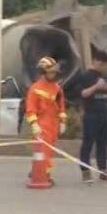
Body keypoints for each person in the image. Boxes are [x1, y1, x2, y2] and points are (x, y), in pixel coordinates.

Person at [25, 56, 67, 185]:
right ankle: (44, 175)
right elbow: (30, 109)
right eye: (50, 72)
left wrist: (63, 122)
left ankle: (36, 170)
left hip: (53, 126)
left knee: (47, 152)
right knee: (43, 151)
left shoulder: (57, 89)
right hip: (42, 125)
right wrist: (34, 124)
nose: (53, 74)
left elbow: (61, 107)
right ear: (44, 72)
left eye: (54, 72)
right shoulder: (35, 88)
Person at [77, 50, 107, 183]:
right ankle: (85, 172)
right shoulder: (85, 76)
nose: (106, 69)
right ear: (98, 62)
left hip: (105, 113)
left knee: (103, 144)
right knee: (88, 144)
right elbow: (83, 94)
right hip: (91, 114)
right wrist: (96, 86)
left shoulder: (105, 77)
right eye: (104, 65)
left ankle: (103, 171)